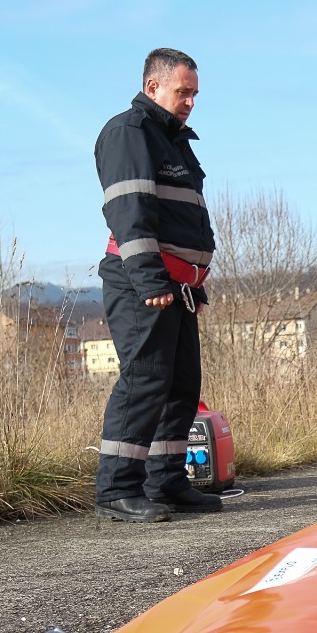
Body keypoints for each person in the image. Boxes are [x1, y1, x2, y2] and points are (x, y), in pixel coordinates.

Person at [92, 47, 218, 523]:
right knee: (145, 379)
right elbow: (130, 210)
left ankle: (164, 482)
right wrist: (149, 279)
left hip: (177, 285)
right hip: (141, 279)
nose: (190, 102)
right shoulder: (129, 133)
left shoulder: (176, 141)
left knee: (182, 385)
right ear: (153, 87)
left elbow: (181, 221)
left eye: (194, 94)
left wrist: (194, 284)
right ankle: (117, 488)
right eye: (182, 92)